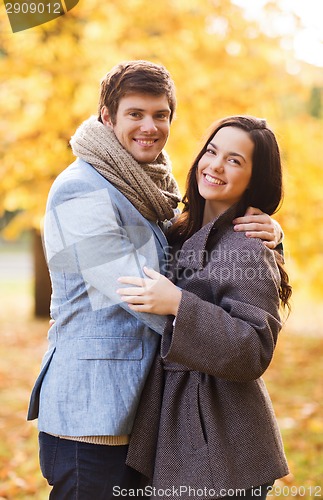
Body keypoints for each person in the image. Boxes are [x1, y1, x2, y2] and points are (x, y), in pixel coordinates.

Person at [27, 58, 283, 500]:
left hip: (148, 421)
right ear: (107, 117)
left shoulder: (144, 189)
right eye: (135, 113)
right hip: (95, 414)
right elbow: (143, 291)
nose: (150, 126)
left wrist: (268, 243)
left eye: (160, 115)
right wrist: (238, 267)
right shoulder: (82, 189)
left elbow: (193, 261)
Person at [117, 115, 292, 500]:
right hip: (177, 428)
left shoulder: (247, 247)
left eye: (234, 160)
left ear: (254, 179)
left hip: (223, 438)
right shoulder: (179, 231)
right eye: (211, 152)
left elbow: (253, 348)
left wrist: (180, 304)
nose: (214, 165)